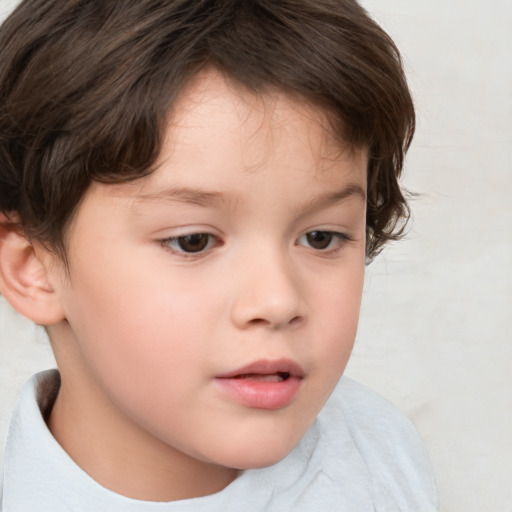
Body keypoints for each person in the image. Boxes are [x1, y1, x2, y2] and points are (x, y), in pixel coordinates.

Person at [0, 0, 438, 510]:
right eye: (193, 241)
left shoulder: (377, 445)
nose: (277, 301)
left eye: (321, 237)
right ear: (33, 268)